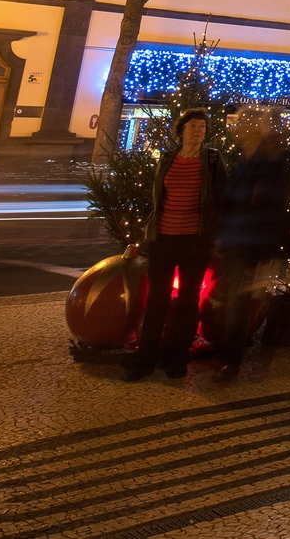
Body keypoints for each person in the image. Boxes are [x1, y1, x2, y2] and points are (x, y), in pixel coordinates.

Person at [125, 108, 225, 381]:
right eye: (193, 126)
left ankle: (177, 359)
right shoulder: (169, 158)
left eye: (202, 127)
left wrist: (215, 236)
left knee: (188, 301)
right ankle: (145, 358)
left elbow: (220, 198)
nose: (199, 131)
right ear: (181, 131)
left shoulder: (212, 159)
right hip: (163, 238)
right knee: (156, 299)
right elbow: (158, 194)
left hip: (194, 240)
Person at [214, 105, 290, 382]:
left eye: (242, 123)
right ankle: (230, 355)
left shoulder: (269, 158)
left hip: (253, 243)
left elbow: (271, 203)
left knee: (238, 303)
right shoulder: (245, 159)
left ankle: (230, 361)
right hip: (237, 240)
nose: (237, 129)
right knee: (236, 300)